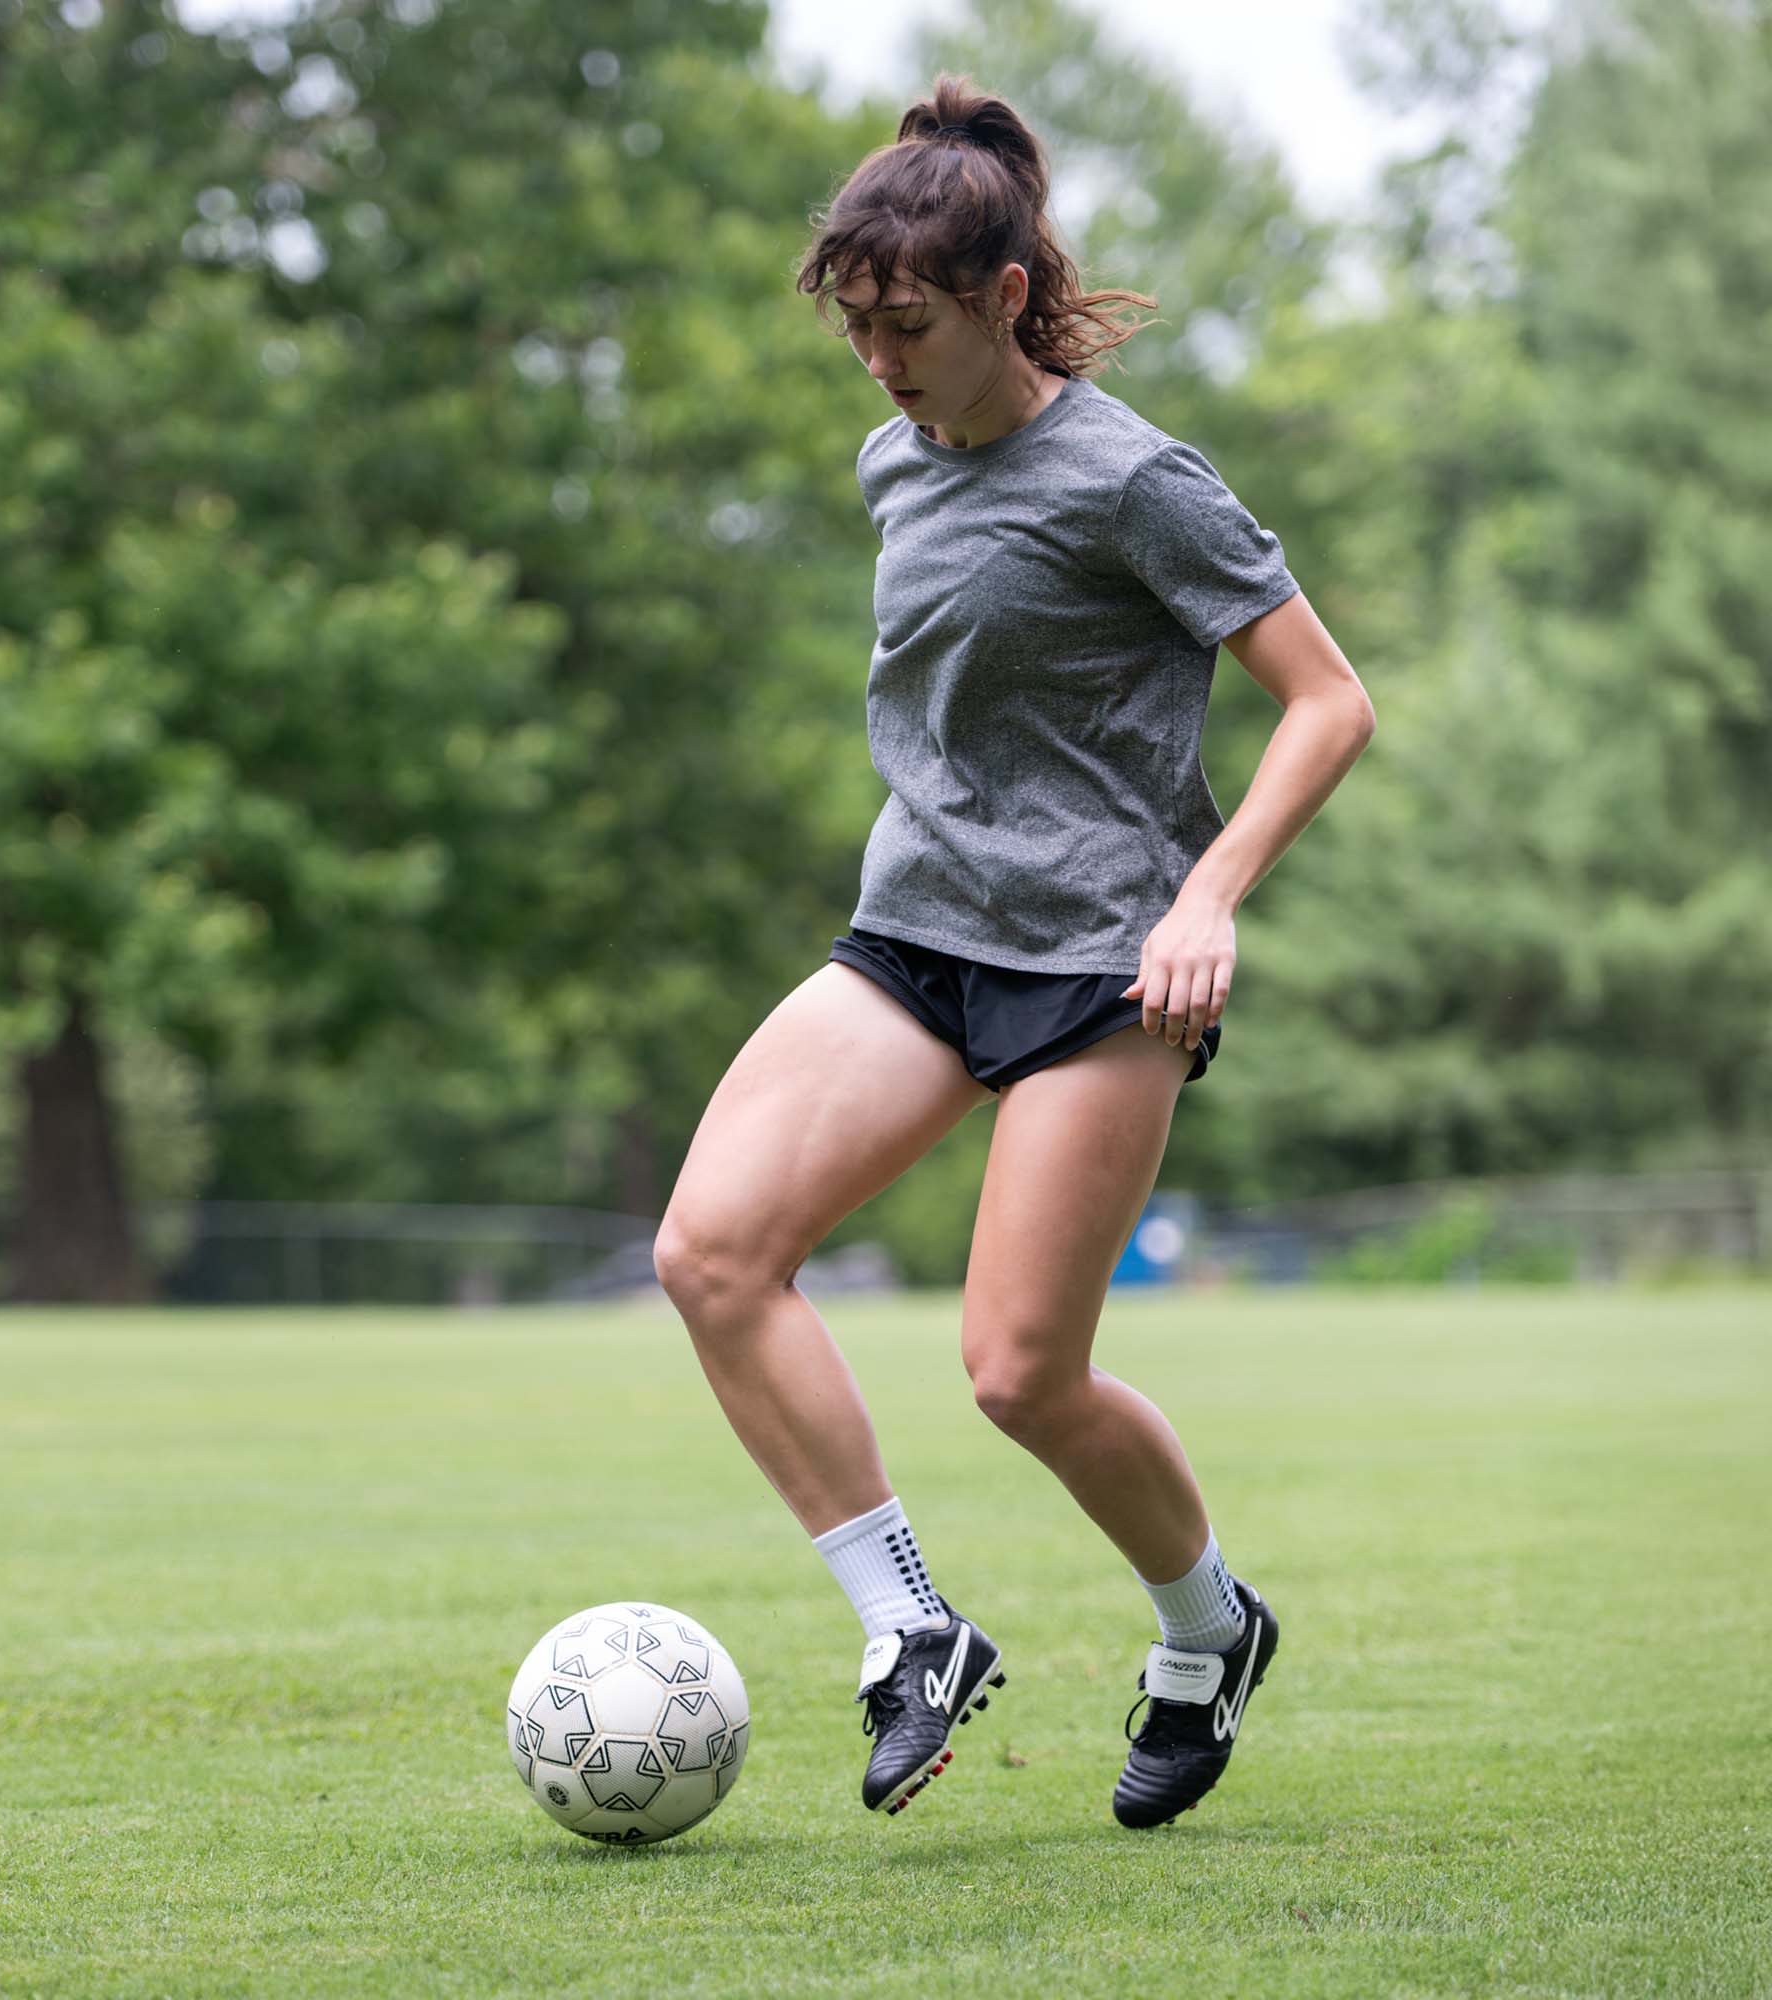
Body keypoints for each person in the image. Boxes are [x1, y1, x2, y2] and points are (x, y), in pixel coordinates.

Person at [652, 75, 1375, 1828]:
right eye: (855, 327)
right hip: (916, 929)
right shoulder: (892, 456)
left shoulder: (1134, 478)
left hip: (1099, 968)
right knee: (710, 1252)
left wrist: (1208, 899)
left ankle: (1207, 1632)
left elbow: (1327, 703)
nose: (881, 361)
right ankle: (912, 1633)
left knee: (1017, 1375)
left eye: (908, 324)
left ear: (1000, 295)